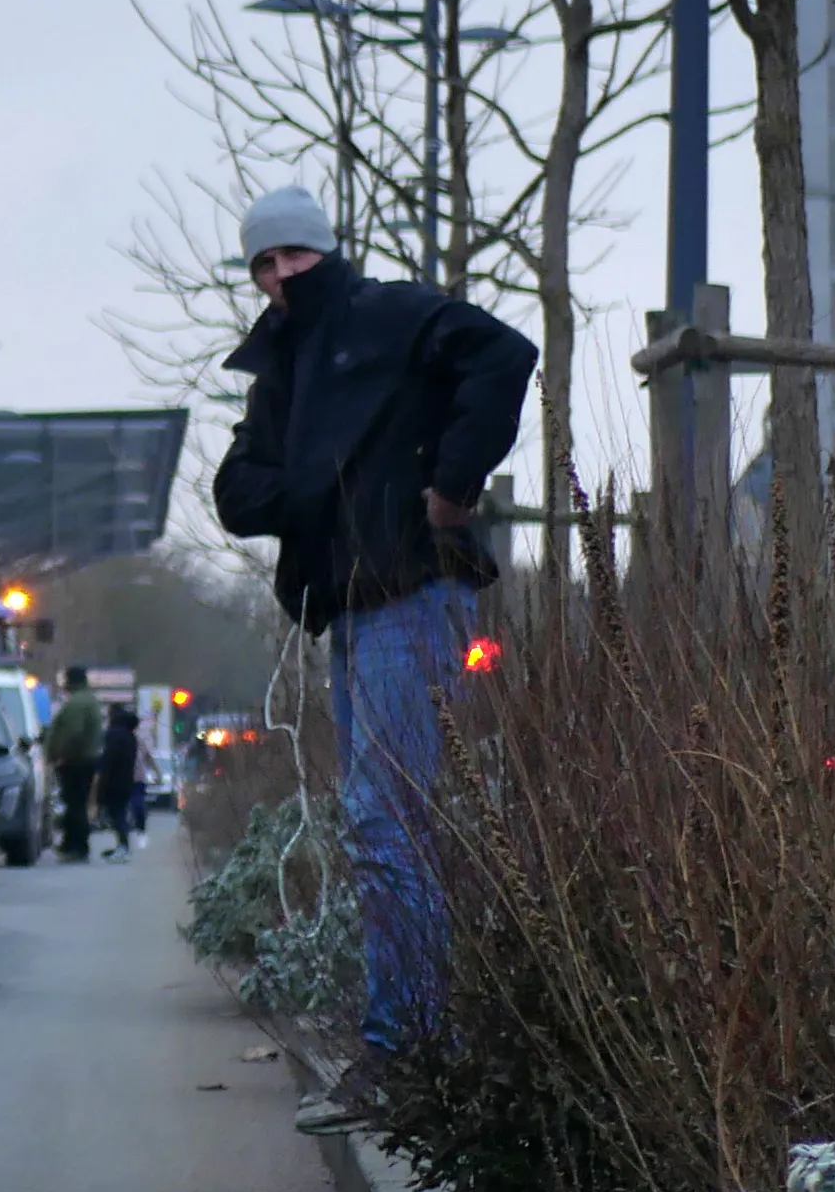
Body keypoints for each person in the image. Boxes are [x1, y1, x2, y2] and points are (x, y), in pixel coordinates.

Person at [209, 183, 537, 1135]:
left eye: (293, 256)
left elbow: (505, 354)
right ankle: (412, 1046)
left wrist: (451, 482)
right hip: (349, 612)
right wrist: (314, 488)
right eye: (263, 264)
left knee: (389, 823)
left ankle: (411, 1053)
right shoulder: (281, 369)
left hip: (407, 595)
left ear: (325, 250)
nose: (279, 276)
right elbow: (237, 490)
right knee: (381, 830)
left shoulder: (388, 314)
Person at [44, 667, 105, 862]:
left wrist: (61, 755)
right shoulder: (88, 700)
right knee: (77, 802)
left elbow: (73, 733)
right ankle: (73, 844)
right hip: (85, 759)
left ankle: (76, 846)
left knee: (74, 803)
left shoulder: (77, 703)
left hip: (76, 761)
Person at [92, 687, 146, 854]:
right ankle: (122, 845)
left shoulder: (113, 735)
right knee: (120, 813)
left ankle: (123, 847)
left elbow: (107, 759)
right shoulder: (130, 736)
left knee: (116, 816)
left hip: (112, 782)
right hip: (126, 781)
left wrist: (100, 776)